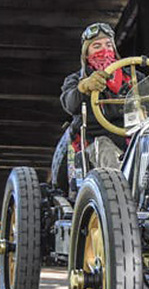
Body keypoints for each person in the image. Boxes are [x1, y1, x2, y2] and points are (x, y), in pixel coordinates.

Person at [56, 23, 136, 177]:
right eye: (97, 46)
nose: (104, 51)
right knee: (105, 148)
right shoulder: (75, 79)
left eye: (108, 45)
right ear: (86, 54)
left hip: (131, 139)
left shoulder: (132, 77)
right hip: (94, 141)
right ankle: (119, 189)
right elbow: (69, 104)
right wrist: (84, 87)